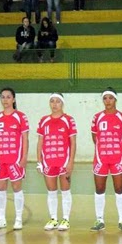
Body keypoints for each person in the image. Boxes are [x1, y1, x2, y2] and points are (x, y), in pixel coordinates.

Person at [89, 88, 122, 232]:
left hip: (117, 158)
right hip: (101, 159)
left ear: (115, 100)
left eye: (110, 98)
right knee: (99, 188)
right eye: (105, 98)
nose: (108, 101)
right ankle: (99, 219)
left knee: (119, 188)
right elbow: (95, 137)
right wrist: (103, 150)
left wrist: (119, 151)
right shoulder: (97, 117)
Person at [0, 87, 29, 230]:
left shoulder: (20, 117)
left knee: (17, 187)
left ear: (14, 99)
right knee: (0, 187)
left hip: (15, 159)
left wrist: (24, 157)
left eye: (8, 97)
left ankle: (18, 218)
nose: (5, 100)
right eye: (3, 97)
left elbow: (25, 138)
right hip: (0, 159)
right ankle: (1, 218)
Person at [36, 93, 77, 231]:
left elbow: (73, 142)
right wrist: (39, 161)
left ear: (62, 103)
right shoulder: (43, 120)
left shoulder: (68, 120)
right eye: (52, 101)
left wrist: (71, 162)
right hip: (48, 161)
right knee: (51, 191)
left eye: (58, 101)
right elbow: (40, 141)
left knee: (65, 190)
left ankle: (66, 219)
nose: (54, 104)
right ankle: (53, 218)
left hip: (63, 161)